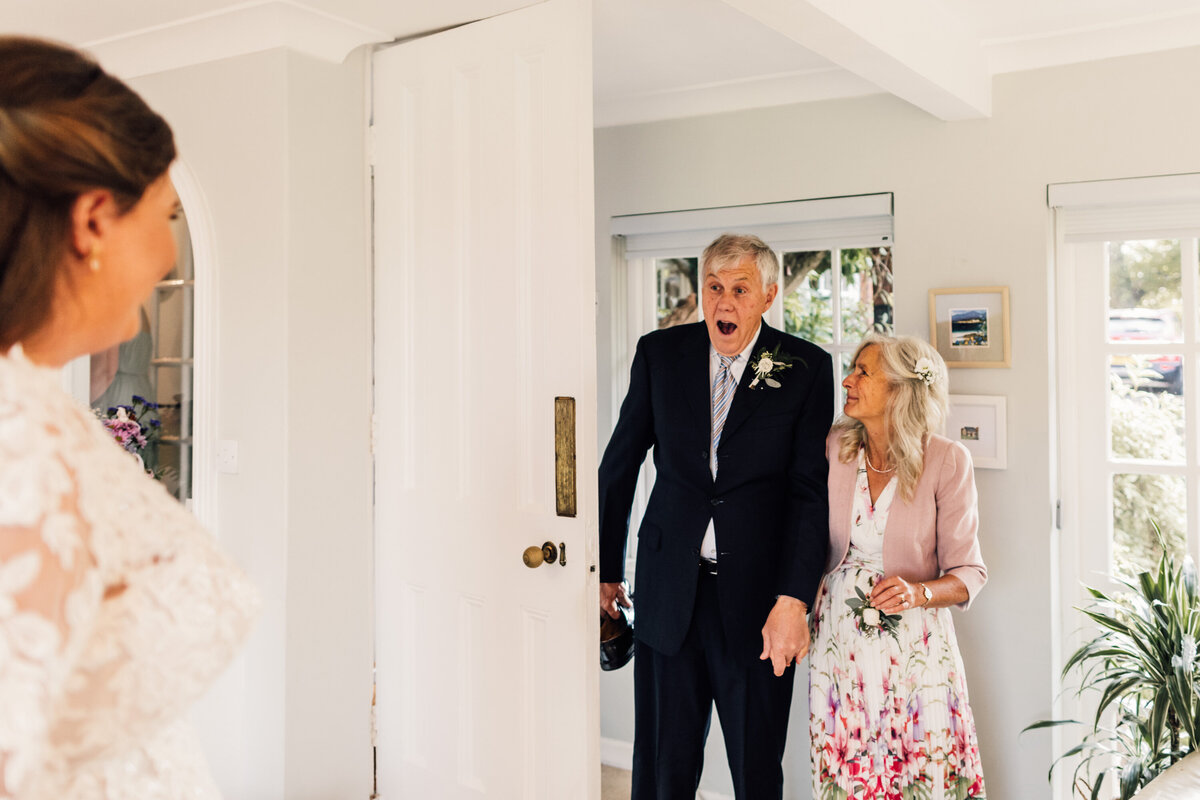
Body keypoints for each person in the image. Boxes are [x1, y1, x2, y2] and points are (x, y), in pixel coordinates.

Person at [0, 37, 258, 798]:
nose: (165, 253)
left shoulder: (36, 402)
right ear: (93, 221)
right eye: (167, 214)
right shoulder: (20, 441)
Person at [599, 233, 834, 799]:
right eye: (714, 287)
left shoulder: (805, 367)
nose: (723, 303)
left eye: (739, 289)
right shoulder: (659, 355)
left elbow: (810, 492)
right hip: (666, 593)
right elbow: (620, 464)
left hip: (757, 604)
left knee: (756, 771)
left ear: (769, 295)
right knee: (662, 767)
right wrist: (607, 569)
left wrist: (793, 598)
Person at [809, 334, 987, 798]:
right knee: (847, 768)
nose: (848, 380)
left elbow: (969, 572)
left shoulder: (947, 460)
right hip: (838, 644)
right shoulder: (834, 448)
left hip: (915, 648)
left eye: (863, 372)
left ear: (900, 389)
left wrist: (919, 592)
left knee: (920, 771)